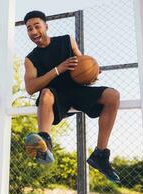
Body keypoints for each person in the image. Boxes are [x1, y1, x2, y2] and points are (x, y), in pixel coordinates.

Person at [23, 10, 121, 183]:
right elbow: (30, 88)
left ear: (46, 26)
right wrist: (57, 70)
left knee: (112, 96)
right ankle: (44, 144)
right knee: (45, 93)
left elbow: (81, 62)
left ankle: (100, 155)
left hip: (76, 90)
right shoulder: (30, 59)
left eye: (37, 26)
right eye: (29, 29)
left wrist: (92, 74)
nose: (33, 31)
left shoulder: (67, 40)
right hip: (55, 94)